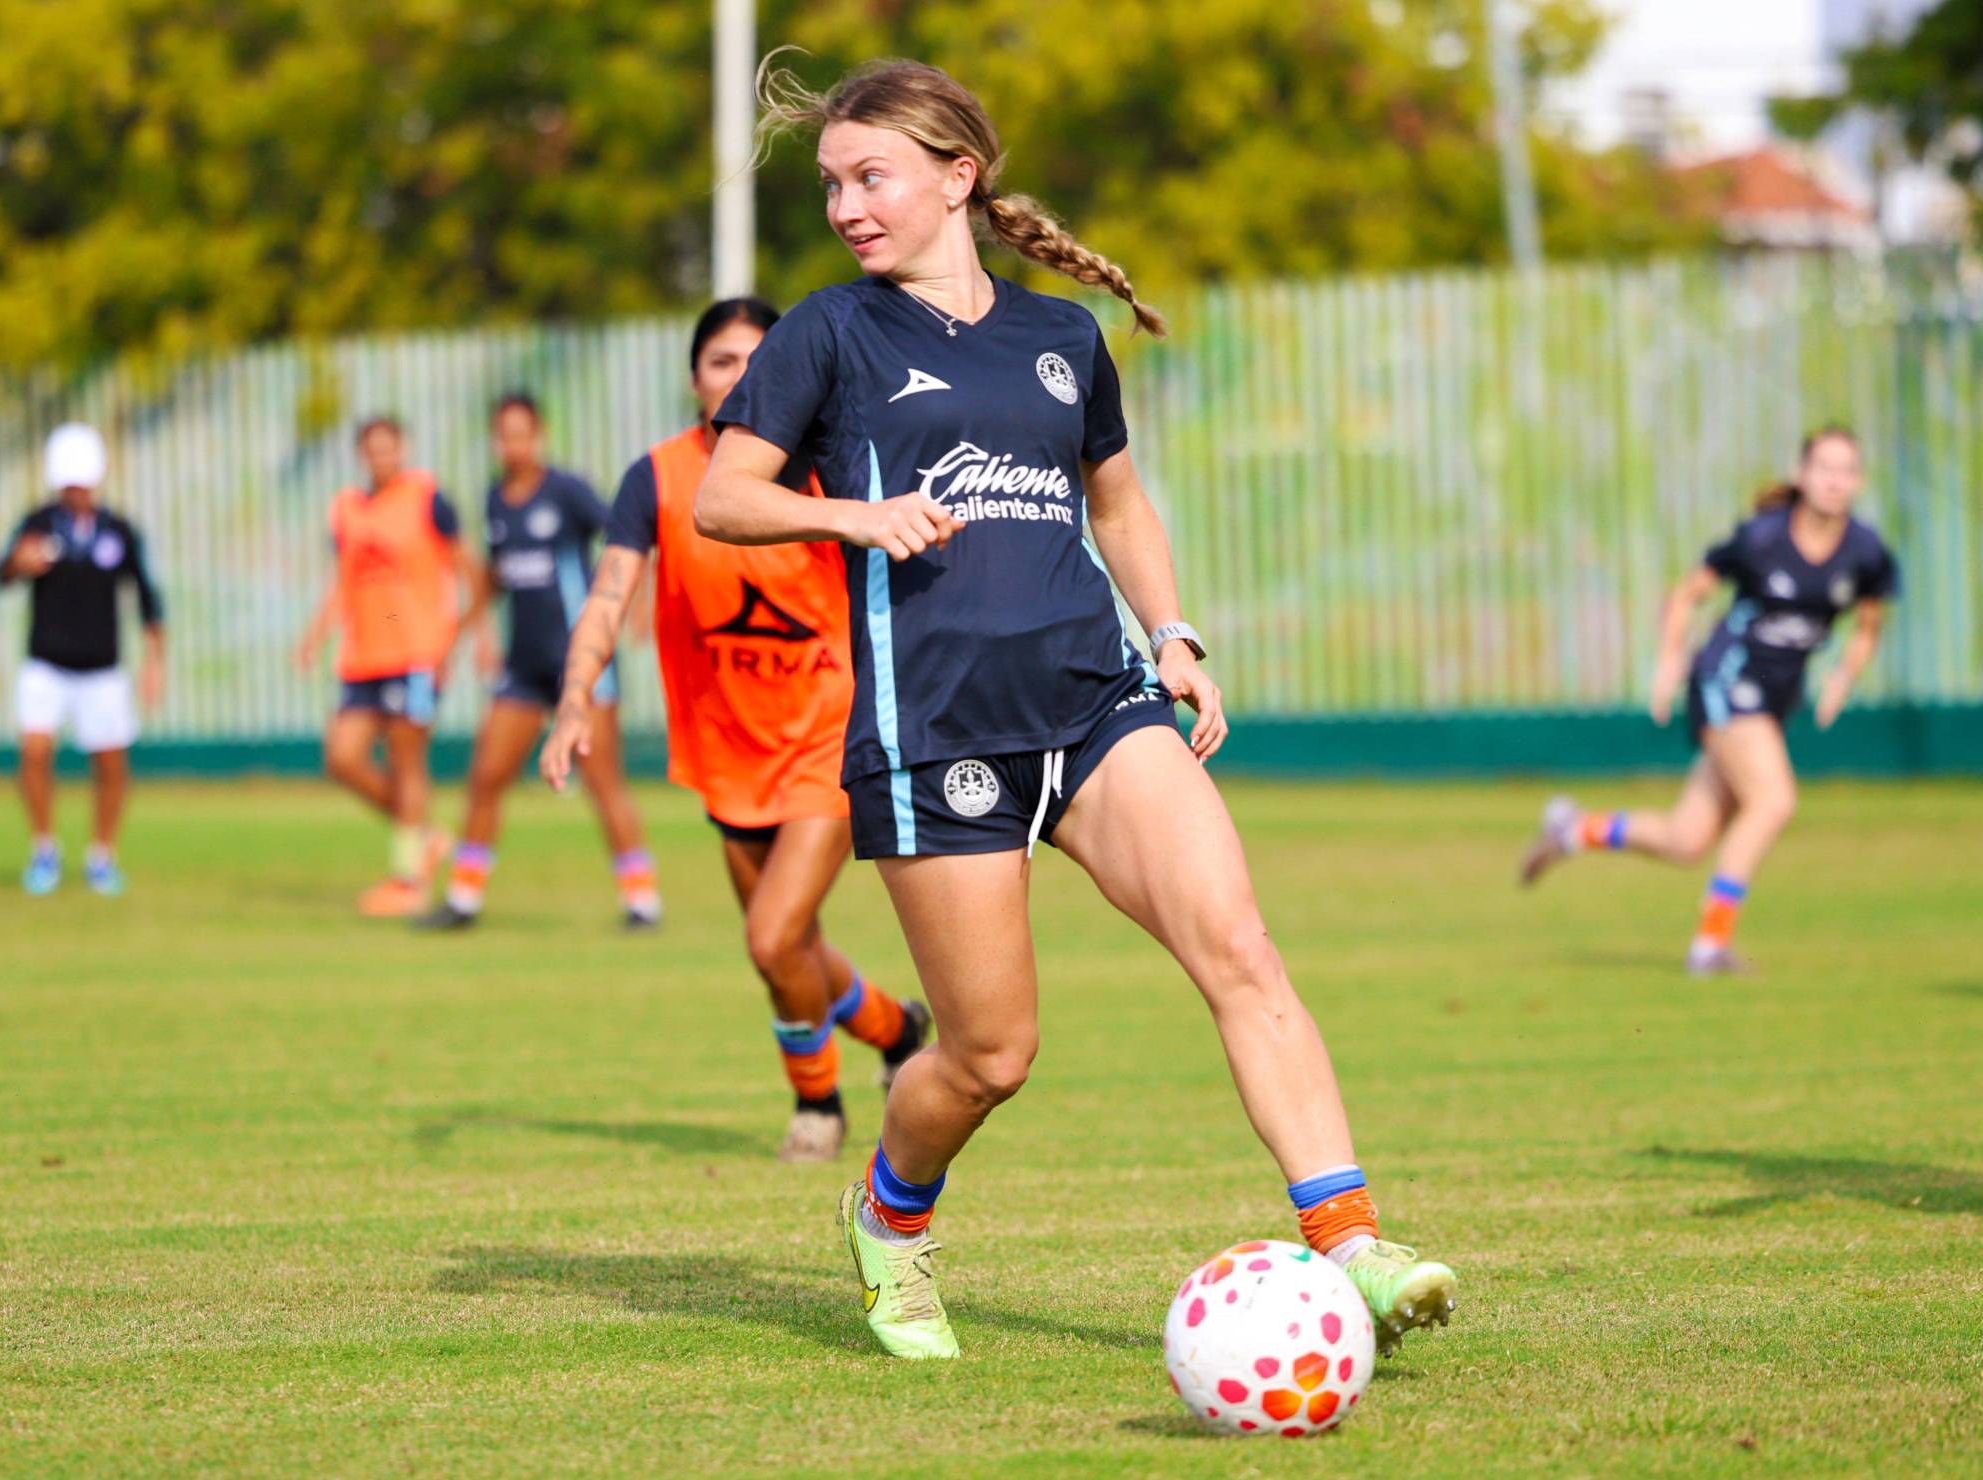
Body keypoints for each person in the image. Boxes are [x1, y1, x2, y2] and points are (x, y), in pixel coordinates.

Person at [692, 57, 1457, 1360]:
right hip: (935, 732)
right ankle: (888, 1217)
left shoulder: (1058, 340)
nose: (845, 208)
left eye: (870, 177)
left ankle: (1353, 1248)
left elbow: (1118, 504)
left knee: (1241, 949)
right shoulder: (827, 332)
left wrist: (1174, 636)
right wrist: (853, 515)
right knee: (990, 1057)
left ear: (957, 176)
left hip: (1096, 703)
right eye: (830, 185)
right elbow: (724, 496)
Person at [540, 298, 931, 1163]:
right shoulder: (658, 478)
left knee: (772, 936)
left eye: (758, 360)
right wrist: (573, 697)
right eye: (722, 361)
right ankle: (896, 1029)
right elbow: (608, 594)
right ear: (694, 378)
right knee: (788, 948)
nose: (740, 377)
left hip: (828, 740)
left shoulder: (828, 467)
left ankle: (818, 1106)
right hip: (728, 750)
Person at [1522, 427, 1899, 974]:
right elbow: (1686, 595)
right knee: (1773, 801)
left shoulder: (1865, 552)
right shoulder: (1762, 539)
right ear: (1802, 475)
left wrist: (1844, 675)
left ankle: (1573, 830)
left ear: (1859, 481)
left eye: (1846, 470)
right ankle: (1710, 944)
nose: (1835, 480)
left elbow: (1868, 626)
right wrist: (1668, 660)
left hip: (1773, 702)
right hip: (1724, 682)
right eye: (1824, 468)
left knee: (1686, 840)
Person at [415, 394, 661, 931]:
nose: (514, 445)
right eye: (504, 435)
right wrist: (463, 636)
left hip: (583, 666)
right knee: (486, 776)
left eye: (522, 434)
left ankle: (642, 900)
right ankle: (463, 898)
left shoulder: (567, 491)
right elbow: (497, 578)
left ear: (539, 435)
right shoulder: (495, 500)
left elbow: (628, 545)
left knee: (603, 780)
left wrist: (640, 605)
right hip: (523, 669)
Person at [296, 417, 483, 917]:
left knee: (406, 761)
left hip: (415, 649)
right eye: (372, 449)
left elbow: (470, 570)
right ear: (361, 455)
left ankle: (408, 879)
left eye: (388, 448)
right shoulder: (347, 508)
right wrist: (313, 638)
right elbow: (343, 581)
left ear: (403, 449)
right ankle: (424, 833)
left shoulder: (428, 498)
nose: (381, 457)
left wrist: (471, 638)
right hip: (363, 654)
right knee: (342, 757)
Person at [0, 423, 165, 896]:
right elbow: (0, 574)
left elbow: (148, 598)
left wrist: (155, 662)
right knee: (34, 752)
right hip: (46, 663)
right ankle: (44, 850)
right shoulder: (38, 524)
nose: (76, 491)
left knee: (110, 763)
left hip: (102, 668)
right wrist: (19, 564)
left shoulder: (119, 531)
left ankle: (101, 856)